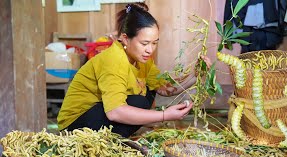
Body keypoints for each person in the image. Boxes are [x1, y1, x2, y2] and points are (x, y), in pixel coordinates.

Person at [57, 3, 212, 138]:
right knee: (138, 101)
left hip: (98, 113)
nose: (149, 50)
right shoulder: (114, 60)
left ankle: (115, 139)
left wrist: (195, 75)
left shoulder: (142, 59)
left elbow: (165, 89)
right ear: (125, 39)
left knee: (148, 94)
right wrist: (164, 115)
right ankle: (108, 142)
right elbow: (115, 112)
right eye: (144, 43)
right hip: (74, 125)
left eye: (154, 43)